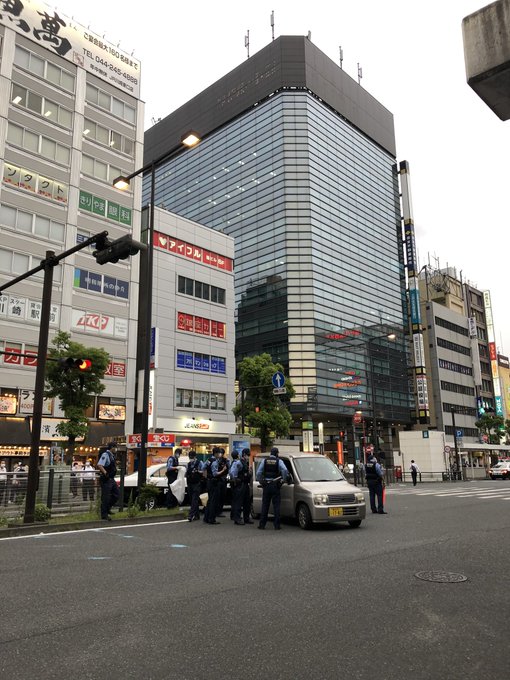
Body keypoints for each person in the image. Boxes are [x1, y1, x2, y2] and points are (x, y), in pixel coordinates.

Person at [256, 447, 288, 530]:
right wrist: (283, 480)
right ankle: (277, 525)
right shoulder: (279, 461)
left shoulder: (264, 461)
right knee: (276, 506)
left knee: (265, 505)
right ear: (277, 453)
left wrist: (261, 481)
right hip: (275, 485)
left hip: (266, 485)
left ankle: (262, 525)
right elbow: (284, 470)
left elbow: (258, 472)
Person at [97, 443, 119, 521]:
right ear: (112, 448)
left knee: (116, 494)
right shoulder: (105, 455)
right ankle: (104, 515)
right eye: (115, 447)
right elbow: (99, 465)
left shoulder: (112, 456)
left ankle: (108, 508)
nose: (116, 449)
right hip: (106, 479)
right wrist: (105, 473)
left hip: (111, 479)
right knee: (105, 497)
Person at [203, 447, 222, 524]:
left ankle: (206, 518)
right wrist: (223, 470)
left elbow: (203, 467)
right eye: (219, 453)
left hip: (209, 482)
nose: (220, 454)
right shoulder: (215, 462)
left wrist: (206, 476)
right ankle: (211, 519)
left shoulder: (208, 460)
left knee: (210, 500)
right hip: (214, 482)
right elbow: (215, 474)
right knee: (213, 501)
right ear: (216, 453)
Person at [185, 451, 203, 521]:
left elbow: (204, 471)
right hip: (189, 483)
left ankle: (190, 515)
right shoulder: (188, 464)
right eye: (190, 457)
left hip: (197, 483)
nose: (191, 458)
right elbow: (186, 474)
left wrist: (198, 471)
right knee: (192, 500)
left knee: (194, 499)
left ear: (195, 456)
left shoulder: (200, 463)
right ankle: (197, 515)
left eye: (192, 457)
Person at [229, 451, 245, 525]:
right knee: (238, 501)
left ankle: (234, 516)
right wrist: (235, 479)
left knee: (234, 500)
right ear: (238, 455)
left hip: (234, 483)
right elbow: (232, 472)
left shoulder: (232, 462)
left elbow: (230, 472)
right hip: (238, 483)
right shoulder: (238, 463)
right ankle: (237, 518)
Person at [240, 448, 254, 524]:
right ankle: (238, 518)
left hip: (245, 484)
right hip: (241, 484)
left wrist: (249, 472)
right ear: (244, 454)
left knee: (246, 502)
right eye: (248, 455)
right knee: (239, 502)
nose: (248, 456)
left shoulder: (245, 462)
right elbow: (234, 473)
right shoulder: (240, 462)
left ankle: (246, 518)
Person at [216, 447, 229, 517]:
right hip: (217, 480)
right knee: (217, 496)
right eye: (219, 452)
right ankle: (216, 511)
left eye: (221, 453)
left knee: (222, 496)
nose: (220, 454)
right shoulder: (215, 460)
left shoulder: (225, 460)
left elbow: (228, 469)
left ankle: (220, 511)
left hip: (223, 480)